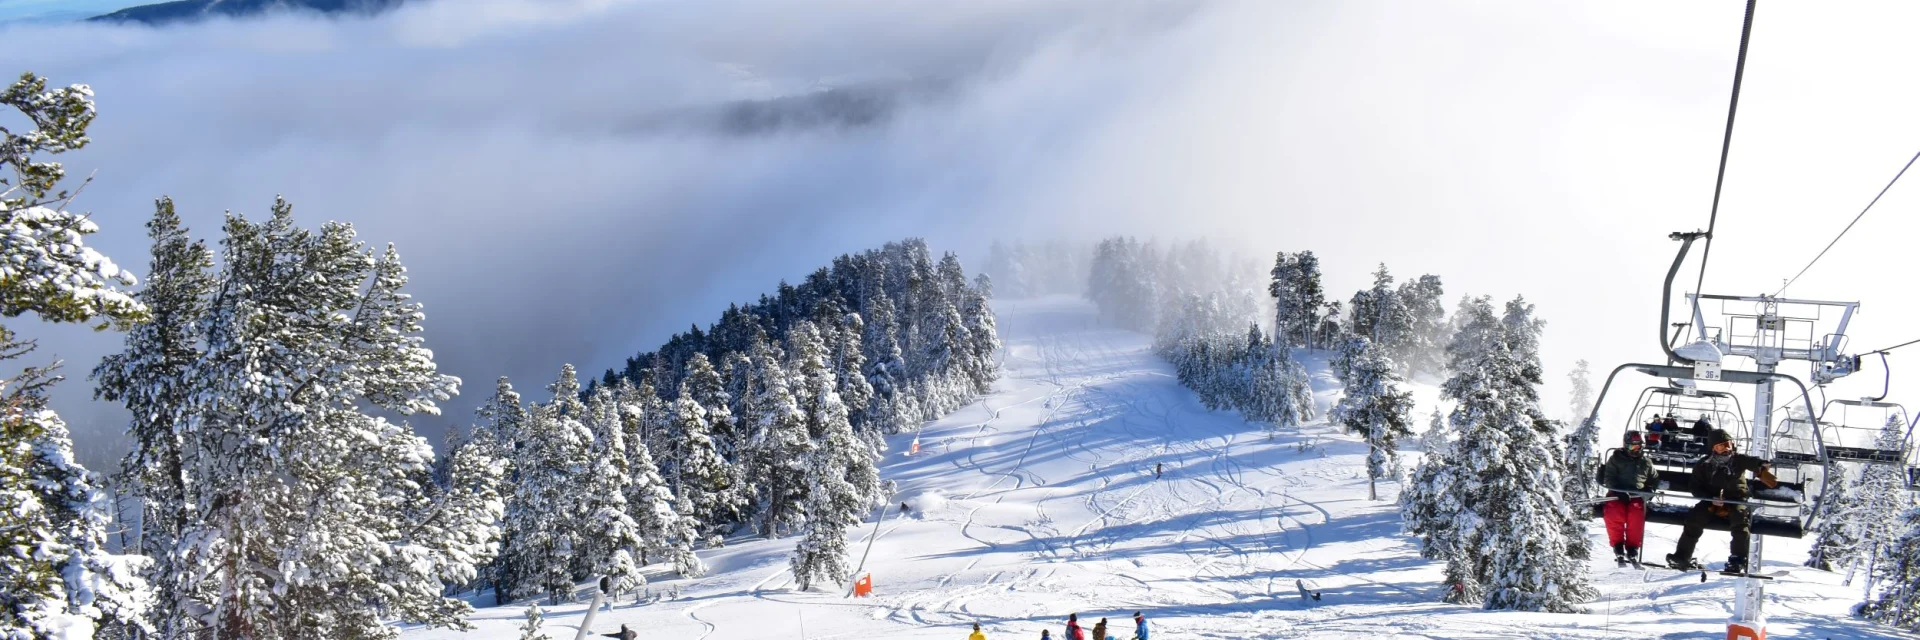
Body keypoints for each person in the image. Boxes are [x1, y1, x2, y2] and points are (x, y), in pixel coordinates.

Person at [1667, 428, 1778, 573]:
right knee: (1694, 519)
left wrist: (1760, 465)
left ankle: (1738, 560)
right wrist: (1709, 498)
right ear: (1713, 448)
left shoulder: (1737, 460)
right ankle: (1682, 556)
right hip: (1710, 500)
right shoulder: (1704, 465)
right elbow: (1695, 487)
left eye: (1728, 445)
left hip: (1735, 500)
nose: (1726, 449)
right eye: (1721, 446)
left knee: (1740, 521)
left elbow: (1751, 461)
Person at [1596, 430, 1660, 566]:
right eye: (1632, 446)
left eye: (1638, 446)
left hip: (1637, 496)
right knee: (1614, 512)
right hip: (1617, 494)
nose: (1635, 450)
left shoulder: (1645, 462)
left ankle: (1632, 548)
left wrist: (1649, 490)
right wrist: (1618, 491)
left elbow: (1654, 479)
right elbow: (1609, 478)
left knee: (1636, 514)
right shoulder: (1616, 459)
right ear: (1626, 446)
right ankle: (1618, 545)